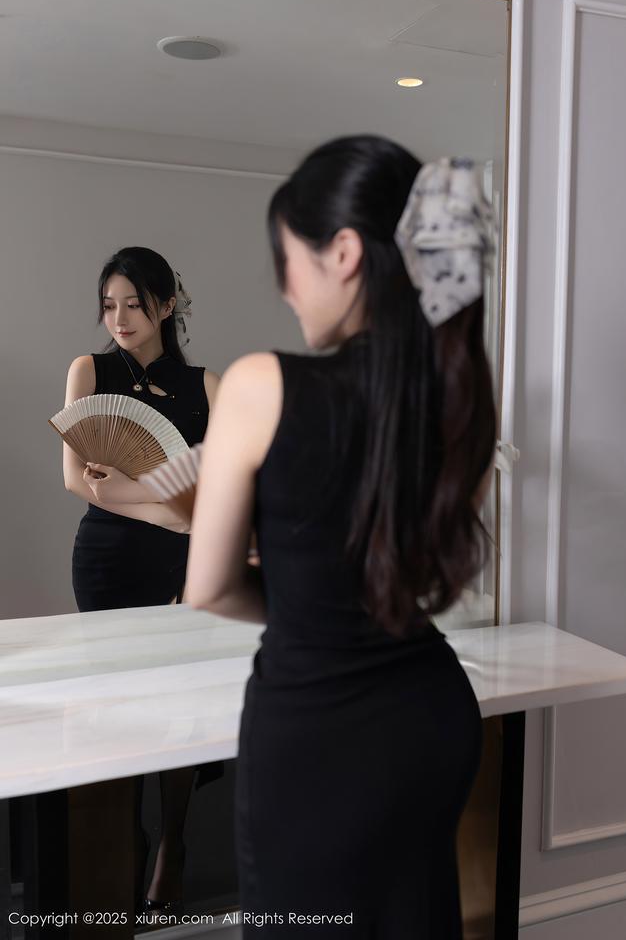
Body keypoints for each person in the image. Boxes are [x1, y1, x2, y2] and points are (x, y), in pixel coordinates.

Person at [185, 135, 497, 938]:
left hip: (317, 737)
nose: (285, 289)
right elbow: (410, 574)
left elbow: (208, 587)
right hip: (432, 719)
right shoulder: (458, 394)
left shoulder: (260, 384)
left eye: (286, 261)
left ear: (345, 253)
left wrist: (299, 594)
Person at [61, 246, 220, 912]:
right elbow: (77, 480)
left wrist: (139, 494)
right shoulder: (89, 370)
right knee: (115, 705)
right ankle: (125, 834)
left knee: (180, 707)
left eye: (133, 304)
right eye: (109, 305)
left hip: (182, 561)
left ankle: (172, 843)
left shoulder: (207, 386)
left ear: (166, 305)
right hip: (106, 559)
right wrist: (162, 510)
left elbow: (213, 487)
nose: (119, 318)